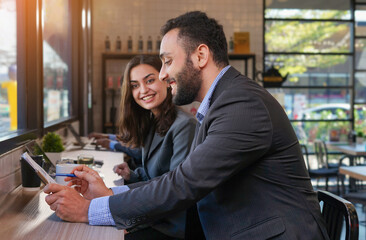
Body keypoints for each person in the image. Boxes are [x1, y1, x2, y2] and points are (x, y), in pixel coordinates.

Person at [44, 11, 329, 240]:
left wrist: (89, 210)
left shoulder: (242, 104)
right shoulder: (222, 102)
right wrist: (112, 192)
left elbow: (184, 184)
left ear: (200, 56)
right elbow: (180, 176)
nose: (164, 74)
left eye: (168, 62)